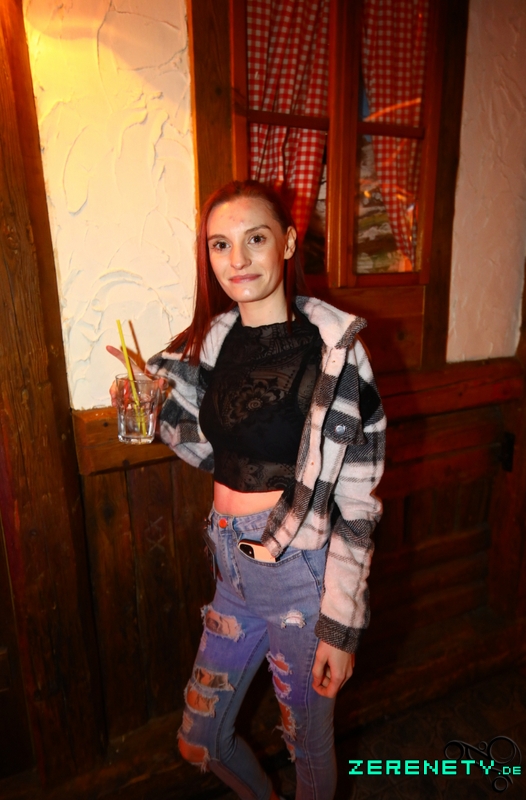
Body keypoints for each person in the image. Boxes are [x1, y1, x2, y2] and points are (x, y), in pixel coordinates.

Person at [109, 180, 386, 800]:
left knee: (307, 747)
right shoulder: (216, 340)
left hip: (298, 576)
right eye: (219, 245)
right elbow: (212, 446)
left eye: (255, 239)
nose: (237, 260)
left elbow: (358, 501)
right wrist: (152, 401)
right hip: (231, 568)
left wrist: (340, 627)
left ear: (287, 242)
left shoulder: (337, 354)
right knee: (200, 739)